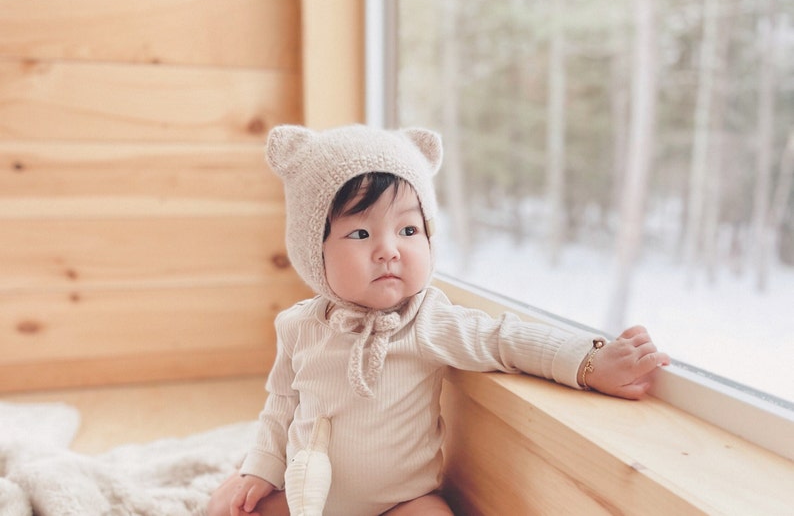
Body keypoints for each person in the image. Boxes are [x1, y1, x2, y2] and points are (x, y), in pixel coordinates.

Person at [208, 124, 670, 516]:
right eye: (361, 232)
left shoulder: (429, 320)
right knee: (227, 507)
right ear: (314, 249)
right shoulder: (299, 326)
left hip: (402, 500)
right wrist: (260, 468)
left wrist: (589, 363)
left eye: (409, 230)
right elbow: (281, 404)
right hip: (310, 497)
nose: (389, 249)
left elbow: (506, 339)